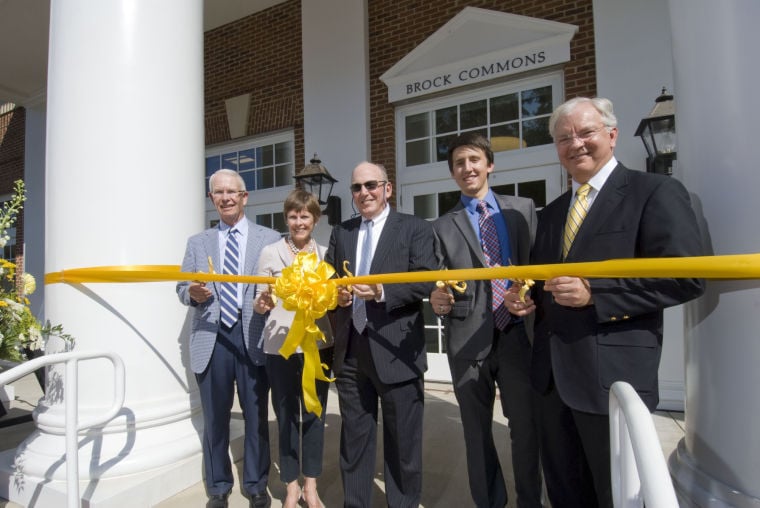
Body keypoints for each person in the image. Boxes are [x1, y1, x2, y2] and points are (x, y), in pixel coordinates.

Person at [531, 97, 705, 508]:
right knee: (565, 492)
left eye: (585, 132)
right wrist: (529, 300)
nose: (575, 144)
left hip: (612, 377)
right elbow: (547, 283)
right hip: (551, 379)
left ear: (611, 134)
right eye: (563, 138)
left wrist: (596, 294)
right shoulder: (553, 212)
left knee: (616, 493)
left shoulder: (655, 192)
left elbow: (685, 276)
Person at [429, 132, 543, 508]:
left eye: (474, 160)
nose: (467, 168)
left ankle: (529, 501)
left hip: (517, 333)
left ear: (489, 164)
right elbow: (439, 282)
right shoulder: (443, 225)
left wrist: (532, 300)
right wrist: (439, 300)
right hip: (467, 340)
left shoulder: (522, 209)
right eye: (459, 163)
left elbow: (540, 268)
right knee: (476, 434)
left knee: (526, 430)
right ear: (453, 174)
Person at [325, 161, 437, 508]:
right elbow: (329, 279)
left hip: (397, 349)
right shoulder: (341, 232)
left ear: (387, 188)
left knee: (403, 444)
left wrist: (382, 292)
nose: (364, 193)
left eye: (371, 185)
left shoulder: (413, 228)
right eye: (357, 188)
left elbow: (427, 278)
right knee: (355, 441)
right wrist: (337, 295)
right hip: (351, 350)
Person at [177, 169, 280, 508]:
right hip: (213, 337)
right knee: (216, 420)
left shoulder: (269, 238)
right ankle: (218, 487)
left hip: (253, 335)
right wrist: (191, 292)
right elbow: (181, 287)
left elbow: (281, 285)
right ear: (212, 200)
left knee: (255, 416)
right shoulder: (198, 242)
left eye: (231, 192)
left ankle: (255, 485)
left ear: (244, 196)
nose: (225, 198)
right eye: (218, 193)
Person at [253, 189, 334, 508]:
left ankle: (311, 485)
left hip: (318, 345)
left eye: (304, 216)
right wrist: (262, 303)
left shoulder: (326, 254)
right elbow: (261, 301)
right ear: (286, 218)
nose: (298, 222)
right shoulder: (270, 253)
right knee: (286, 416)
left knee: (315, 414)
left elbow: (332, 301)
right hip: (281, 346)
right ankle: (290, 485)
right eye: (292, 215)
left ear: (315, 219)